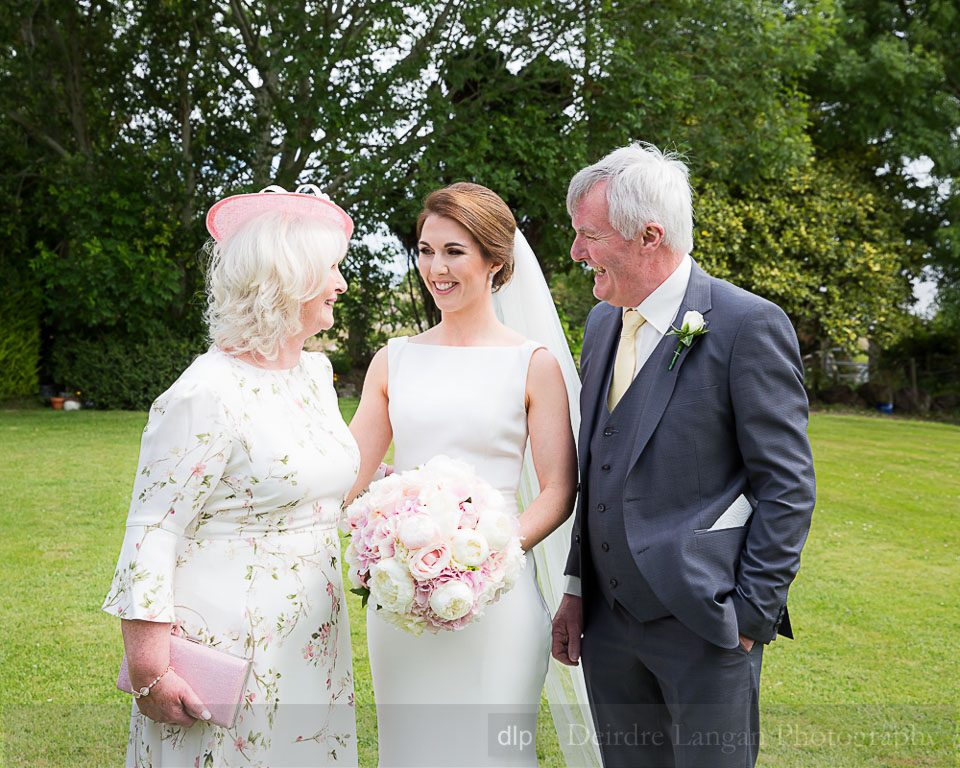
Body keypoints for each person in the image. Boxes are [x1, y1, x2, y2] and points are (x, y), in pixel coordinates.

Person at [551, 143, 816, 768]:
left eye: (588, 235)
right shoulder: (600, 324)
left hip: (707, 622)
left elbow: (787, 486)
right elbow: (602, 472)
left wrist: (751, 613)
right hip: (609, 626)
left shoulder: (747, 324)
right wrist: (575, 587)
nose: (575, 252)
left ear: (649, 235)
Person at [102, 185, 360, 767]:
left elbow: (312, 480)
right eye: (332, 271)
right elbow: (153, 530)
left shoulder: (315, 375)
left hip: (312, 638)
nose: (342, 285)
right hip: (229, 640)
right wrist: (149, 666)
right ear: (288, 279)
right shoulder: (205, 392)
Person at [348, 182, 579, 767]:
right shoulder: (393, 359)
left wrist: (487, 558)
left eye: (454, 251)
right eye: (426, 250)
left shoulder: (533, 364)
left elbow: (558, 488)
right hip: (402, 601)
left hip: (498, 597)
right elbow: (348, 475)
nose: (435, 267)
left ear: (495, 261)